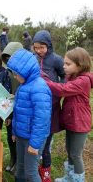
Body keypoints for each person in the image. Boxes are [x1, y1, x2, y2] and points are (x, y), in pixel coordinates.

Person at [43, 47, 92, 182]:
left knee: (76, 154)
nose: (64, 66)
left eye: (68, 64)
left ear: (80, 65)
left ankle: (78, 179)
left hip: (80, 122)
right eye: (64, 63)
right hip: (72, 121)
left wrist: (45, 82)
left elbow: (63, 89)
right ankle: (69, 177)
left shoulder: (83, 81)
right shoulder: (73, 76)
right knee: (70, 151)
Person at [7, 49, 52, 182]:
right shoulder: (23, 86)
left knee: (31, 172)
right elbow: (18, 111)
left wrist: (35, 143)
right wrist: (14, 132)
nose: (15, 77)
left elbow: (42, 119)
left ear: (26, 71)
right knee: (20, 167)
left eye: (16, 74)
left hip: (32, 138)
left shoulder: (39, 88)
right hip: (21, 135)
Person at [32, 29, 66, 182]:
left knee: (46, 143)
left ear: (49, 45)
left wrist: (59, 90)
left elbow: (65, 76)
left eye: (42, 47)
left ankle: (45, 170)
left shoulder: (56, 60)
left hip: (51, 107)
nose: (39, 51)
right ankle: (33, 166)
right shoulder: (32, 58)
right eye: (36, 47)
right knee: (35, 137)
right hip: (35, 106)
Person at [1, 42, 23, 174]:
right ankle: (13, 159)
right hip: (10, 110)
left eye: (12, 58)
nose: (9, 61)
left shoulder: (25, 73)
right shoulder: (7, 72)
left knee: (20, 138)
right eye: (7, 59)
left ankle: (19, 164)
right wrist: (7, 115)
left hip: (22, 110)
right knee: (10, 136)